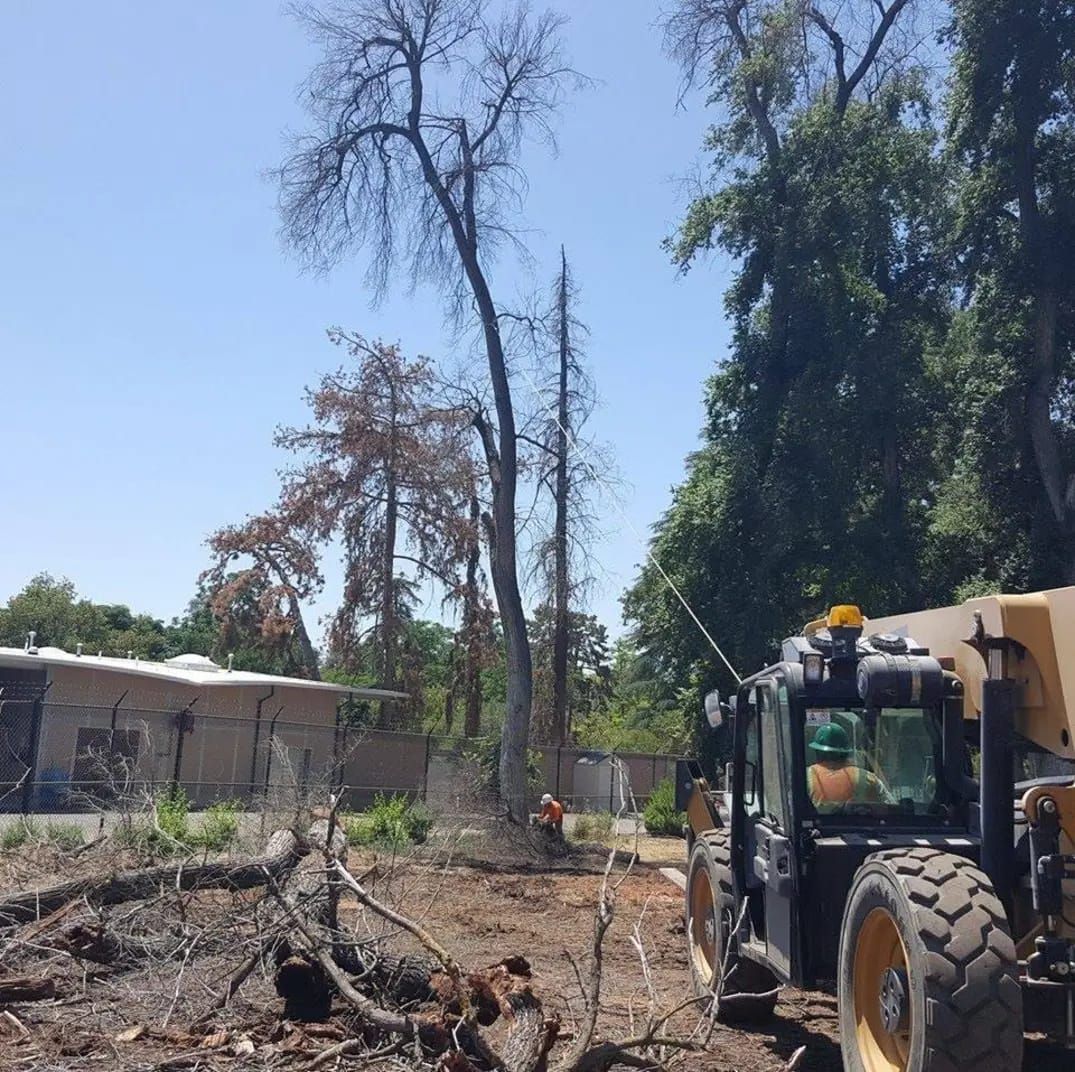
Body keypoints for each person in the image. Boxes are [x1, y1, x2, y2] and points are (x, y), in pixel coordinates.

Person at [807, 723, 892, 812]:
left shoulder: (805, 777)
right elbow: (890, 808)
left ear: (817, 752)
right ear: (846, 752)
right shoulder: (868, 778)